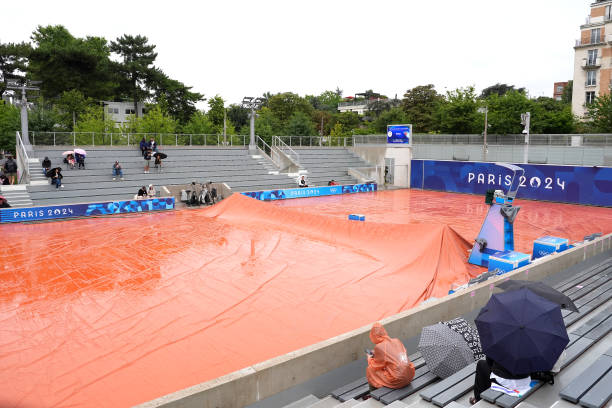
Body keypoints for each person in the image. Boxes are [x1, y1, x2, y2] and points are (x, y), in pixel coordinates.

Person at [366, 322, 415, 391]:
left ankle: (374, 392)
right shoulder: (396, 341)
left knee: (370, 369)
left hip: (399, 380)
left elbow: (375, 365)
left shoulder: (379, 347)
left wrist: (369, 357)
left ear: (373, 336)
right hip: (410, 375)